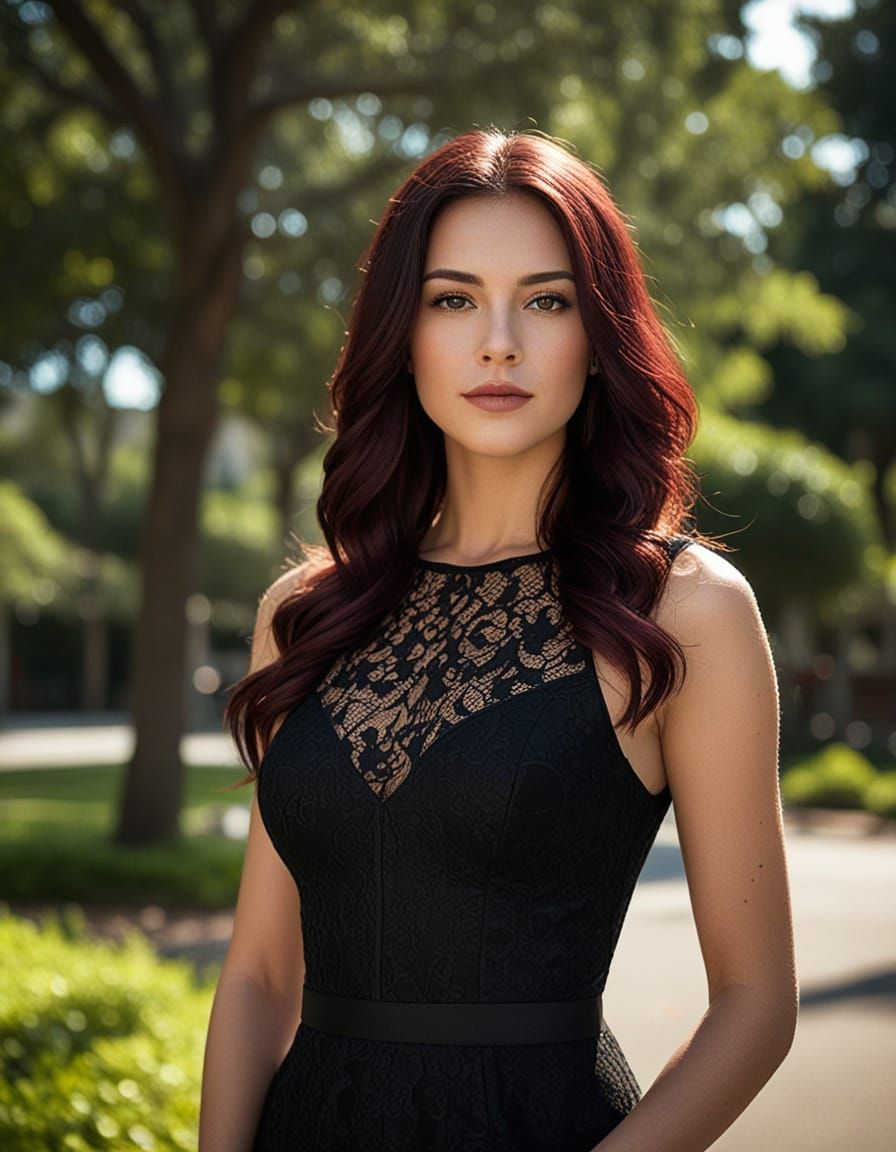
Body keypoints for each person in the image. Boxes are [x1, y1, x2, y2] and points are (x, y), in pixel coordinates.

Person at [199, 127, 798, 1152]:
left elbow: (754, 1006)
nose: (498, 343)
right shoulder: (303, 612)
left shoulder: (681, 611)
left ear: (598, 335)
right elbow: (258, 973)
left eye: (547, 299)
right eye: (452, 298)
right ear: (404, 330)